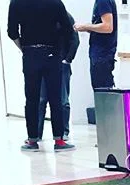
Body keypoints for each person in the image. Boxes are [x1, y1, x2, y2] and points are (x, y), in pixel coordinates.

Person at [7, 0, 75, 151]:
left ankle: (32, 140)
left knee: (32, 98)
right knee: (55, 98)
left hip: (30, 52)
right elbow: (68, 29)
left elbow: (12, 32)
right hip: (52, 53)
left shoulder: (16, 2)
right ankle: (59, 140)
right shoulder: (55, 2)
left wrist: (24, 48)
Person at [37, 10, 79, 142]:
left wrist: (67, 59)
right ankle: (36, 134)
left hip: (61, 63)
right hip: (44, 63)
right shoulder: (40, 16)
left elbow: (74, 39)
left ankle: (63, 132)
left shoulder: (66, 16)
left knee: (63, 101)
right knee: (41, 100)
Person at [74, 0, 117, 90]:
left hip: (102, 54)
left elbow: (107, 27)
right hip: (102, 54)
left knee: (101, 90)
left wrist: (86, 26)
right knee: (101, 88)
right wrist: (88, 28)